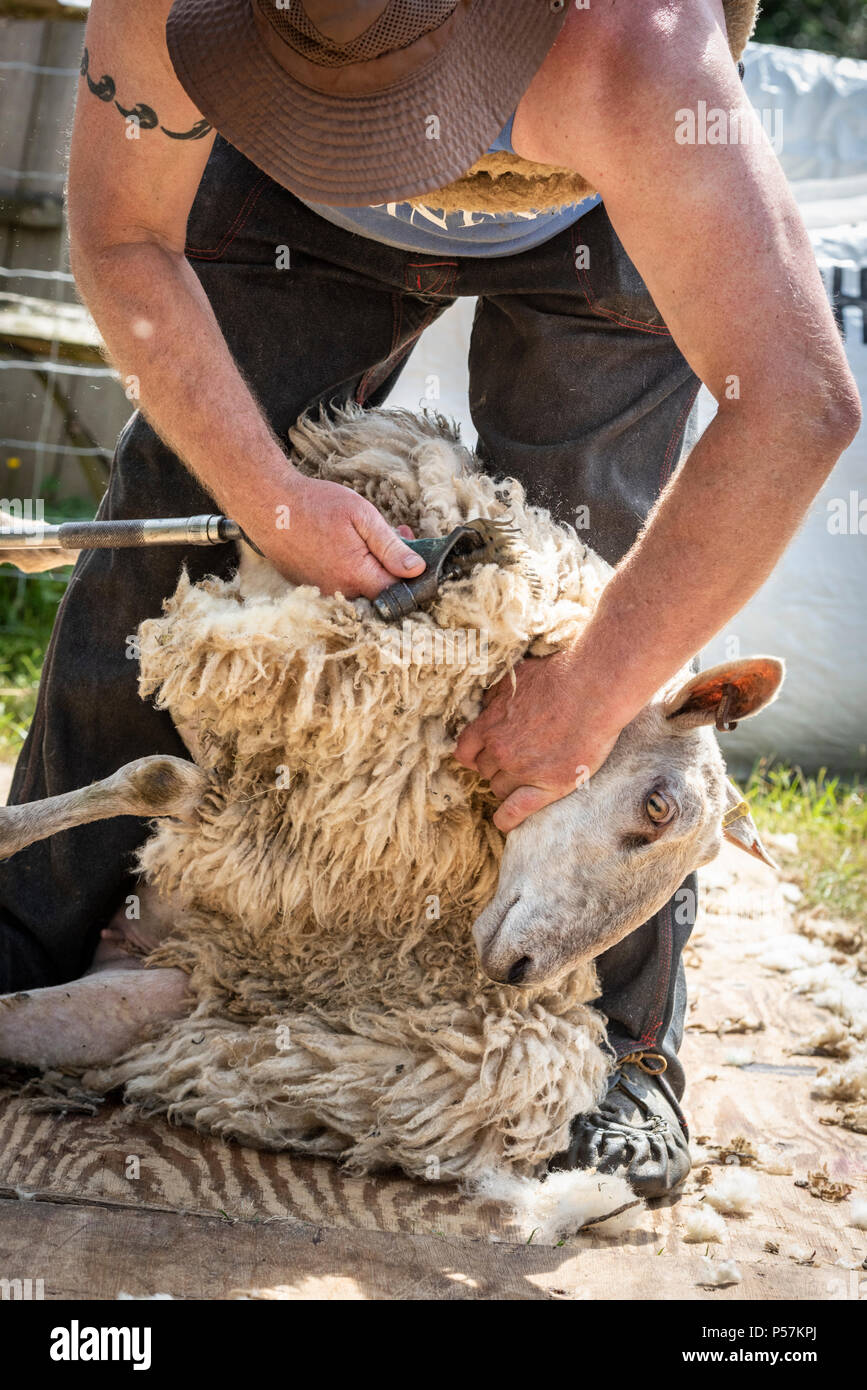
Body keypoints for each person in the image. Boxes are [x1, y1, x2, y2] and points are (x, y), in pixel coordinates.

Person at [0, 0, 859, 1196]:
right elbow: (123, 238)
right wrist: (272, 497)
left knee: (605, 603)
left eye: (393, 98)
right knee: (159, 568)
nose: (384, 132)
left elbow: (800, 403)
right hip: (287, 196)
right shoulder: (166, 10)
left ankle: (628, 1047)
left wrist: (592, 690)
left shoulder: (639, 42)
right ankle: (23, 933)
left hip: (605, 200)